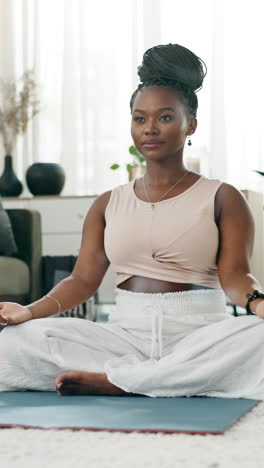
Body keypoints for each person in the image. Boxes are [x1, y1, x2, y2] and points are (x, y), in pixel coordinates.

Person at [1, 43, 264, 399]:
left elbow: (235, 278)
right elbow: (81, 280)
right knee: (14, 343)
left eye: (165, 117)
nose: (150, 129)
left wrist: (260, 304)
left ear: (192, 125)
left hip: (200, 336)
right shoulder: (108, 203)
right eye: (140, 118)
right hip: (125, 337)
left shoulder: (223, 197)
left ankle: (124, 382)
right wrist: (28, 312)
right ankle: (160, 379)